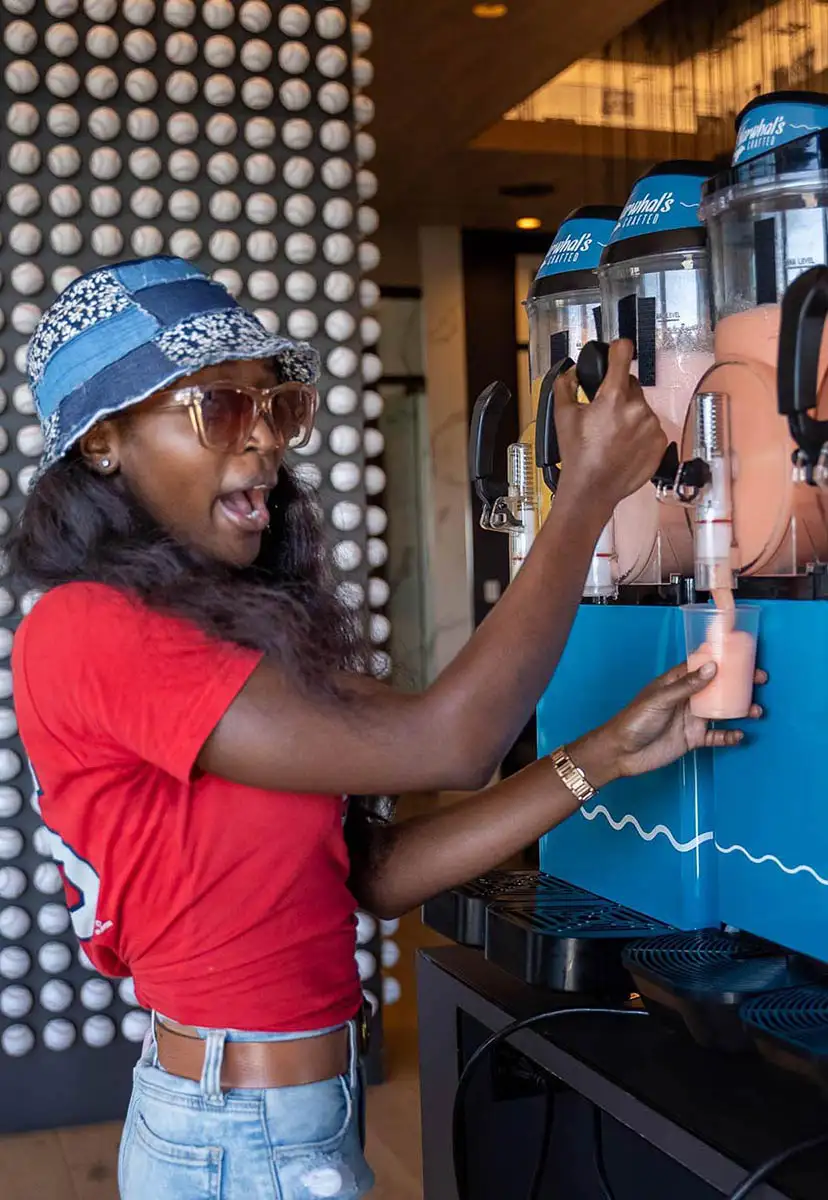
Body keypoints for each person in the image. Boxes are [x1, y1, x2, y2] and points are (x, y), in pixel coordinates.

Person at [9, 257, 762, 1200]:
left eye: (273, 406)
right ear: (103, 443)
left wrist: (600, 757)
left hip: (283, 1115)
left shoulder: (211, 631)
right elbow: (450, 743)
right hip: (240, 1134)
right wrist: (582, 499)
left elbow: (366, 872)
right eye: (218, 409)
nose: (264, 445)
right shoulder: (93, 630)